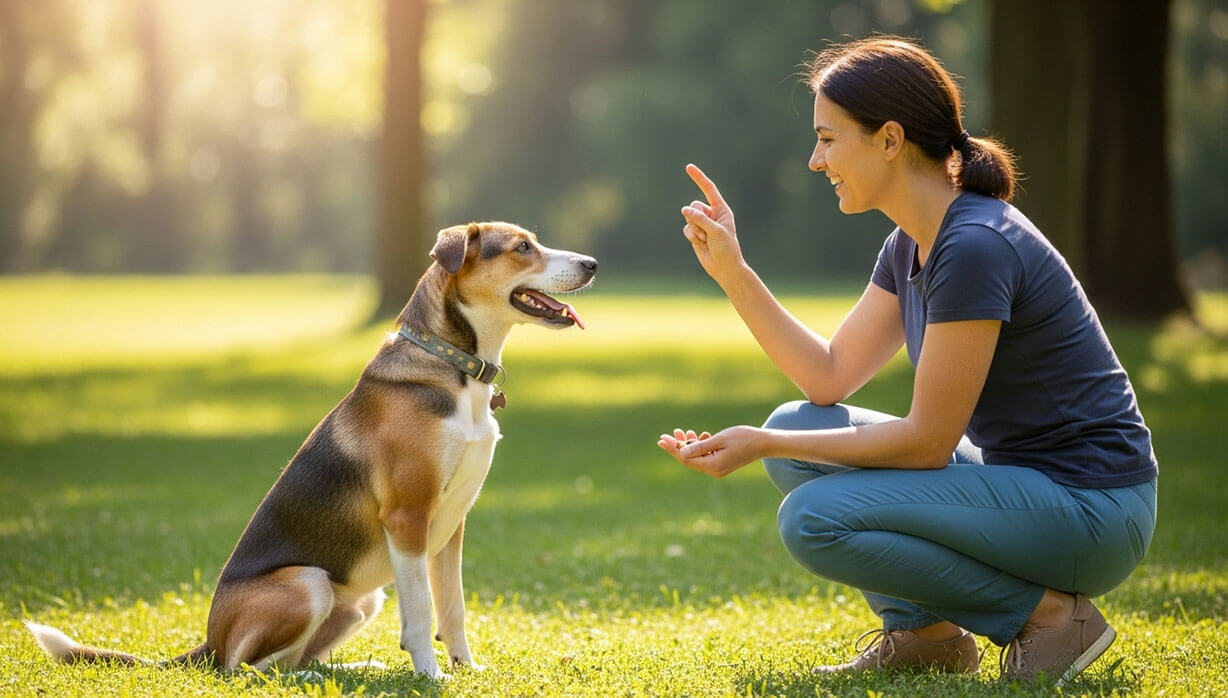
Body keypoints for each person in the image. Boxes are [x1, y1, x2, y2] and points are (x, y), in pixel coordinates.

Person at [657, 36, 1157, 684]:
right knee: (801, 425)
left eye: (829, 139)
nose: (815, 160)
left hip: (1094, 508)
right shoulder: (912, 244)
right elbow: (828, 377)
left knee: (812, 517)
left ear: (890, 139)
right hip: (1026, 487)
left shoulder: (974, 245)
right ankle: (927, 637)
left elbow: (926, 443)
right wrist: (734, 272)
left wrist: (760, 442)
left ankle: (1051, 618)